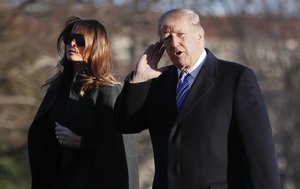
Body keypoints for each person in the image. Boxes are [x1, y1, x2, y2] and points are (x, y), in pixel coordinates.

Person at [114, 8, 281, 189]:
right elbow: (125, 124)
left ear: (199, 35)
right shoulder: (157, 82)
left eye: (180, 34)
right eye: (167, 38)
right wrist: (138, 80)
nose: (174, 43)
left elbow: (260, 153)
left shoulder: (236, 78)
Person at [27, 16, 139, 189]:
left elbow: (120, 150)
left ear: (96, 47)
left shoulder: (107, 91)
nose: (72, 44)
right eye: (69, 39)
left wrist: (81, 142)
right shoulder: (58, 88)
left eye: (79, 40)